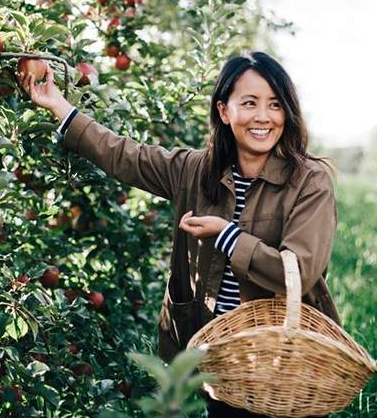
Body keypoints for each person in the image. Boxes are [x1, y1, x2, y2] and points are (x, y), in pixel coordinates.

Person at [21, 51, 341, 417]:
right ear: (224, 111)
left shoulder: (309, 181)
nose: (263, 117)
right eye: (249, 103)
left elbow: (299, 271)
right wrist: (59, 106)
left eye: (275, 105)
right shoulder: (196, 170)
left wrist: (227, 235)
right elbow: (125, 156)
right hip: (218, 357)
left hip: (280, 360)